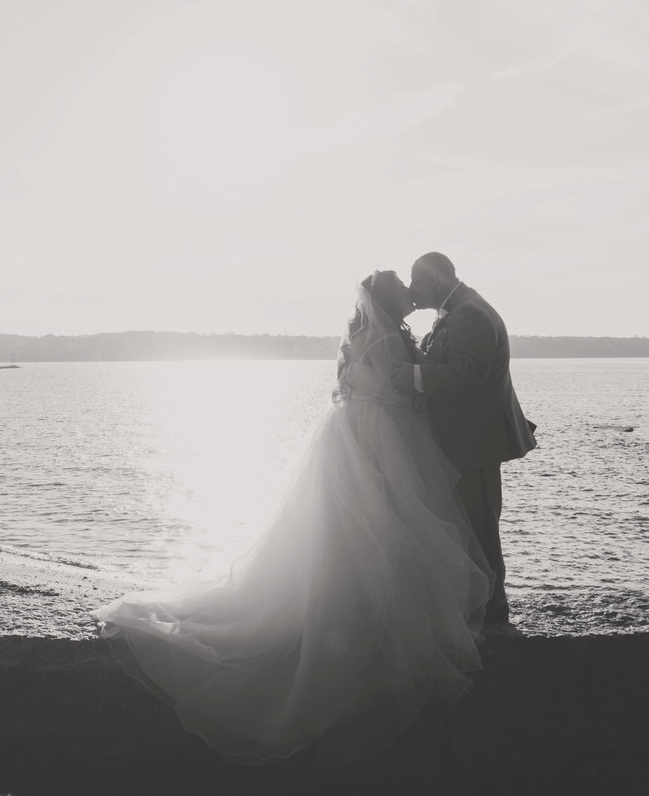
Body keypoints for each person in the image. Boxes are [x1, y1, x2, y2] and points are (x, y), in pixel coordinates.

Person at [92, 272, 492, 765]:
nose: (412, 292)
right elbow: (395, 389)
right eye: (404, 288)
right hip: (379, 438)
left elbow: (355, 387)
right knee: (384, 526)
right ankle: (369, 620)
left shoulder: (362, 335)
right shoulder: (387, 337)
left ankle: (348, 603)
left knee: (348, 530)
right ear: (390, 300)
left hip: (352, 434)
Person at [399, 252, 536, 626]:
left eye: (417, 281)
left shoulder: (471, 313)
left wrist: (409, 376)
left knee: (480, 525)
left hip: (475, 442)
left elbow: (469, 372)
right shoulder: (458, 310)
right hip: (465, 439)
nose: (412, 289)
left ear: (438, 281)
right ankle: (480, 604)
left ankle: (495, 611)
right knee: (471, 525)